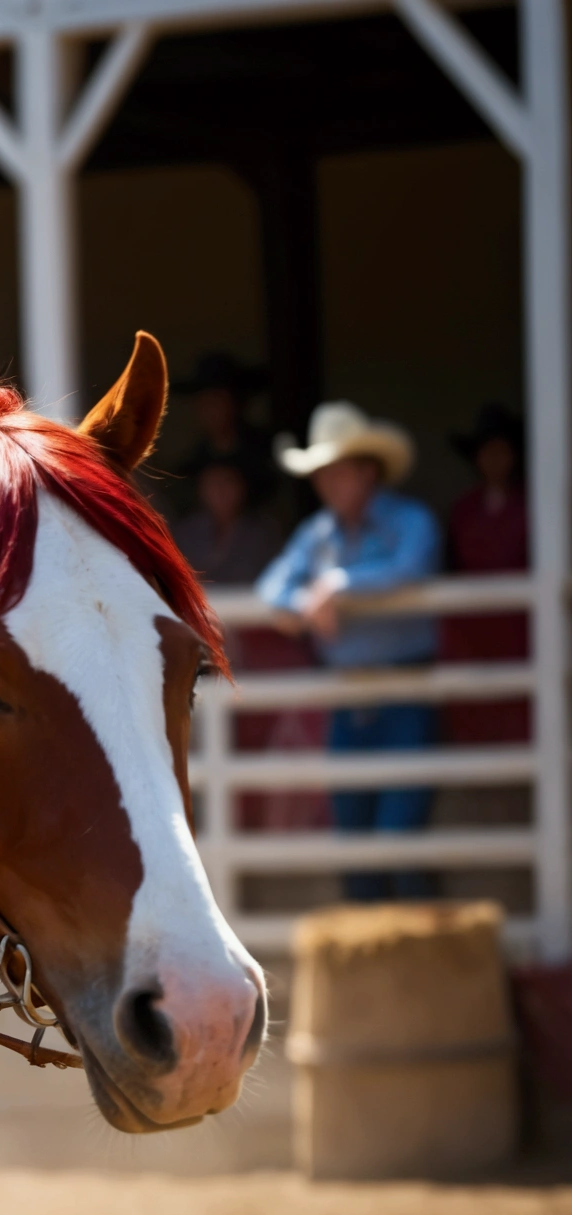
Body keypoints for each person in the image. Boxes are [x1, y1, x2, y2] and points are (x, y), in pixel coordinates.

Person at [256, 401, 441, 900]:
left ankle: (417, 958)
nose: (327, 484)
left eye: (336, 471)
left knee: (399, 840)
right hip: (347, 700)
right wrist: (301, 601)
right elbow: (271, 585)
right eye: (321, 474)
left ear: (368, 470)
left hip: (405, 690)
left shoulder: (410, 521)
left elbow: (413, 566)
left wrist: (339, 586)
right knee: (354, 846)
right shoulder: (318, 534)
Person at [442, 403, 529, 746]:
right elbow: (451, 567)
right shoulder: (464, 509)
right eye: (486, 452)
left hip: (520, 626)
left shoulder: (532, 505)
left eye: (502, 451)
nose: (494, 460)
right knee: (476, 708)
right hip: (474, 628)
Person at [172, 350, 278, 518]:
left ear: (236, 402)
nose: (210, 409)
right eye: (203, 402)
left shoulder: (267, 454)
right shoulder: (194, 461)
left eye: (217, 400)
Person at [171, 458, 282, 586]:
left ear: (242, 487)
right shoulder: (185, 533)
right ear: (201, 489)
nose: (219, 491)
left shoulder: (264, 534)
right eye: (212, 484)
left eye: (227, 482)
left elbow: (274, 579)